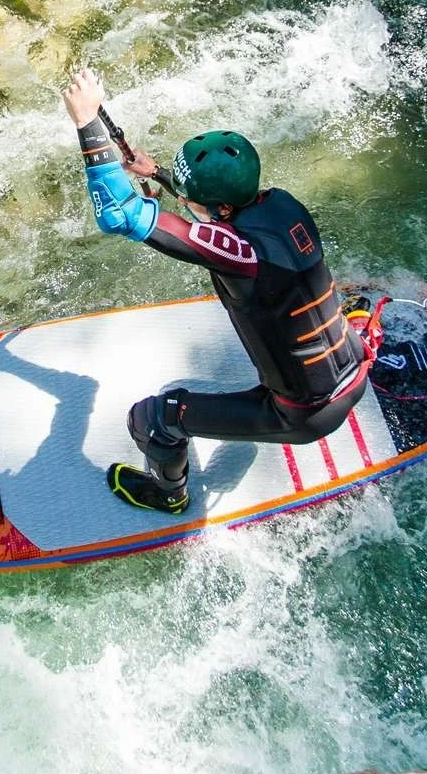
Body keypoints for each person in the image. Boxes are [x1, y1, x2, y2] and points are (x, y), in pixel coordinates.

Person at [60, 67, 371, 514]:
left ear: (221, 208)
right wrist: (162, 176)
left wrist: (87, 122)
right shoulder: (281, 203)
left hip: (302, 413)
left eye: (190, 200)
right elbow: (220, 216)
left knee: (153, 418)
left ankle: (169, 495)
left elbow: (120, 214)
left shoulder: (242, 255)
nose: (185, 204)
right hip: (354, 365)